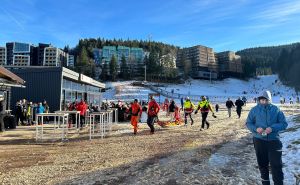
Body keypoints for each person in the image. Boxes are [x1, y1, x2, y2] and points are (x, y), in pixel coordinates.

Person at [246, 90, 288, 185]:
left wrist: (272, 128)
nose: (264, 102)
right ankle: (265, 183)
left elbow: (284, 124)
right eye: (261, 100)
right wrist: (256, 129)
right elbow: (248, 123)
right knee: (262, 165)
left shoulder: (276, 109)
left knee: (276, 165)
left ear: (269, 100)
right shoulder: (254, 110)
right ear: (259, 100)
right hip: (259, 140)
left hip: (274, 141)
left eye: (266, 100)